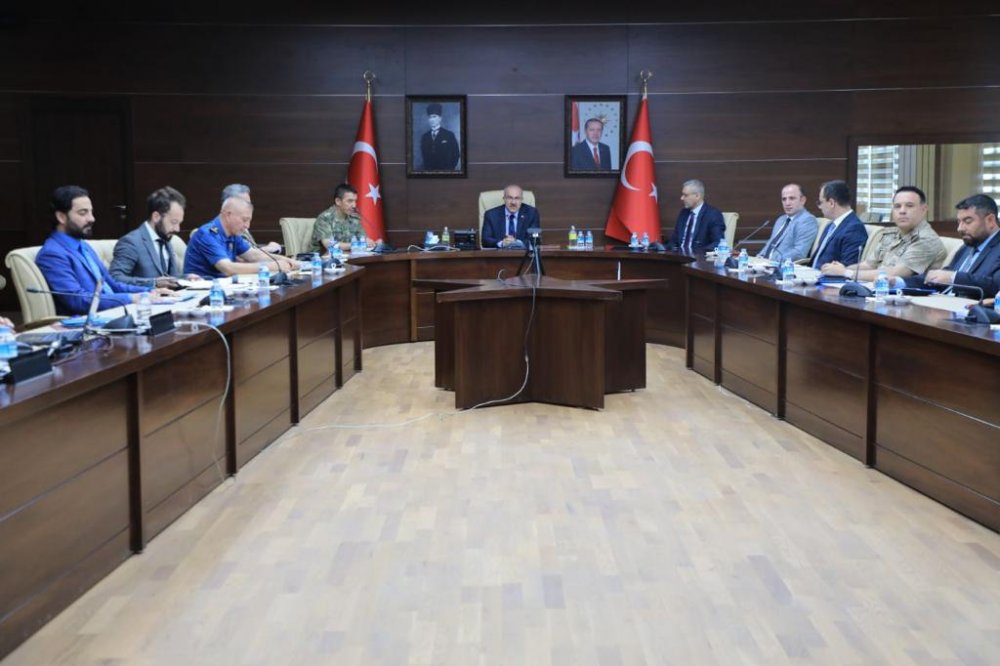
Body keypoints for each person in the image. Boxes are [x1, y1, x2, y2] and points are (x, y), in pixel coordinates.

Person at [35, 186, 171, 315]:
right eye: (83, 213)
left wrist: (149, 291)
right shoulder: (52, 254)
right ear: (61, 217)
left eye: (91, 212)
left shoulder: (83, 246)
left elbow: (112, 285)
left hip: (116, 313)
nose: (92, 218)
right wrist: (131, 298)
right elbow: (77, 300)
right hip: (90, 323)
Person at [821, 186, 945, 281]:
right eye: (897, 206)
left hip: (904, 297)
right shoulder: (891, 233)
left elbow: (897, 273)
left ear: (924, 209)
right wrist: (840, 269)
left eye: (909, 206)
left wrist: (846, 273)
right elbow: (869, 264)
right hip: (877, 289)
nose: (902, 211)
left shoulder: (926, 239)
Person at [903, 193, 1000, 297]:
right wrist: (898, 282)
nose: (960, 228)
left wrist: (953, 278)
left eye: (968, 221)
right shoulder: (967, 247)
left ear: (990, 220)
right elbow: (939, 278)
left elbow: (995, 285)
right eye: (959, 222)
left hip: (973, 306)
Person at [183, 196, 298, 278]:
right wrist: (273, 266)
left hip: (222, 287)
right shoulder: (208, 234)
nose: (247, 226)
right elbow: (228, 268)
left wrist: (286, 260)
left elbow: (254, 255)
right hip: (203, 292)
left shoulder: (233, 233)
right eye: (244, 220)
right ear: (228, 215)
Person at [109, 186, 194, 288]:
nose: (177, 229)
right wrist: (153, 283)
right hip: (145, 297)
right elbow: (115, 278)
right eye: (174, 222)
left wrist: (187, 278)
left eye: (179, 223)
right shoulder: (131, 242)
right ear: (156, 217)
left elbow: (169, 279)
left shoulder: (165, 237)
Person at [810, 180, 869, 268]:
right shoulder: (830, 226)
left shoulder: (854, 228)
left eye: (820, 202)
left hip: (827, 276)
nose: (820, 207)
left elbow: (848, 267)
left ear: (831, 203)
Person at [310, 183, 382, 254]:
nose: (354, 205)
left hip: (348, 257)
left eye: (355, 201)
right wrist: (356, 245)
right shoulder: (324, 218)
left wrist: (373, 243)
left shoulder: (354, 218)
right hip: (322, 258)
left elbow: (363, 239)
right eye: (350, 201)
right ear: (338, 201)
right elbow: (329, 245)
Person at [758, 183, 818, 262]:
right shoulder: (781, 220)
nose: (787, 203)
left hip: (782, 266)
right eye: (784, 199)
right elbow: (769, 245)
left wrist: (770, 261)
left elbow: (799, 253)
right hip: (765, 264)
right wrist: (758, 258)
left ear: (802, 200)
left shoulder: (807, 220)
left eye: (792, 198)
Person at [220, 184, 282, 254]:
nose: (248, 208)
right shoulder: (224, 229)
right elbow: (245, 257)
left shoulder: (242, 224)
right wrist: (268, 248)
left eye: (249, 204)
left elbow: (250, 251)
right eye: (244, 204)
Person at [667, 179, 725, 254]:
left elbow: (718, 243)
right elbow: (673, 241)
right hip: (679, 257)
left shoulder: (713, 215)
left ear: (697, 196)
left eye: (685, 195)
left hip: (700, 258)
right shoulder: (683, 213)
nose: (682, 198)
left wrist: (697, 253)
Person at [481, 184, 539, 249]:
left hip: (523, 254)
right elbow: (485, 240)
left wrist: (517, 243)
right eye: (509, 198)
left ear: (521, 199)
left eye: (517, 198)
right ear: (504, 199)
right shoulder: (491, 215)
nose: (513, 202)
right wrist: (502, 243)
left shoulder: (531, 213)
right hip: (499, 254)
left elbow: (535, 239)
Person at [419, 103, 460, 171]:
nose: (432, 119)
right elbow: (425, 157)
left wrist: (450, 169)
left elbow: (456, 154)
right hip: (429, 173)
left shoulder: (449, 135)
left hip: (446, 172)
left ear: (440, 118)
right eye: (430, 117)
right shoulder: (425, 137)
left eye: (434, 116)